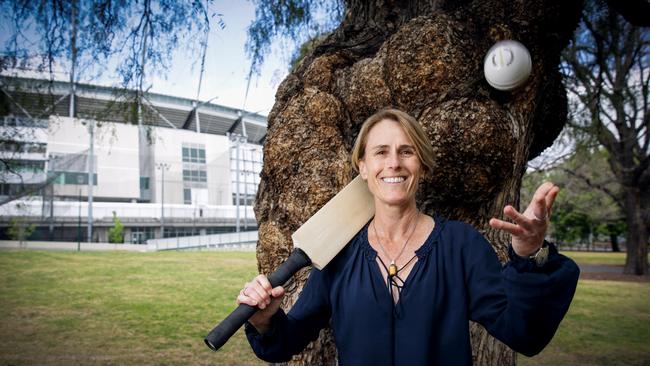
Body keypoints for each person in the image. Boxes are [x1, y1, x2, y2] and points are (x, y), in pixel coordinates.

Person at [237, 108, 579, 365]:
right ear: (364, 167)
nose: (394, 163)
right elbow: (288, 339)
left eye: (407, 151)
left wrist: (530, 255)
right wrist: (266, 321)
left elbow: (522, 332)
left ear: (423, 165)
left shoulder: (461, 245)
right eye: (381, 152)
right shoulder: (338, 253)